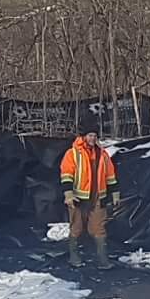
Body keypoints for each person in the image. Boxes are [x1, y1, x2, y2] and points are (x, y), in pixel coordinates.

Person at [58, 115, 121, 268]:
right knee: (76, 228)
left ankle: (103, 260)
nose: (92, 138)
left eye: (94, 135)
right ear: (83, 136)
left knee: (98, 228)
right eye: (90, 135)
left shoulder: (103, 155)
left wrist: (115, 193)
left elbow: (110, 175)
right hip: (78, 198)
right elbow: (66, 174)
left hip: (98, 197)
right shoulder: (72, 154)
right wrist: (69, 194)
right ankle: (74, 256)